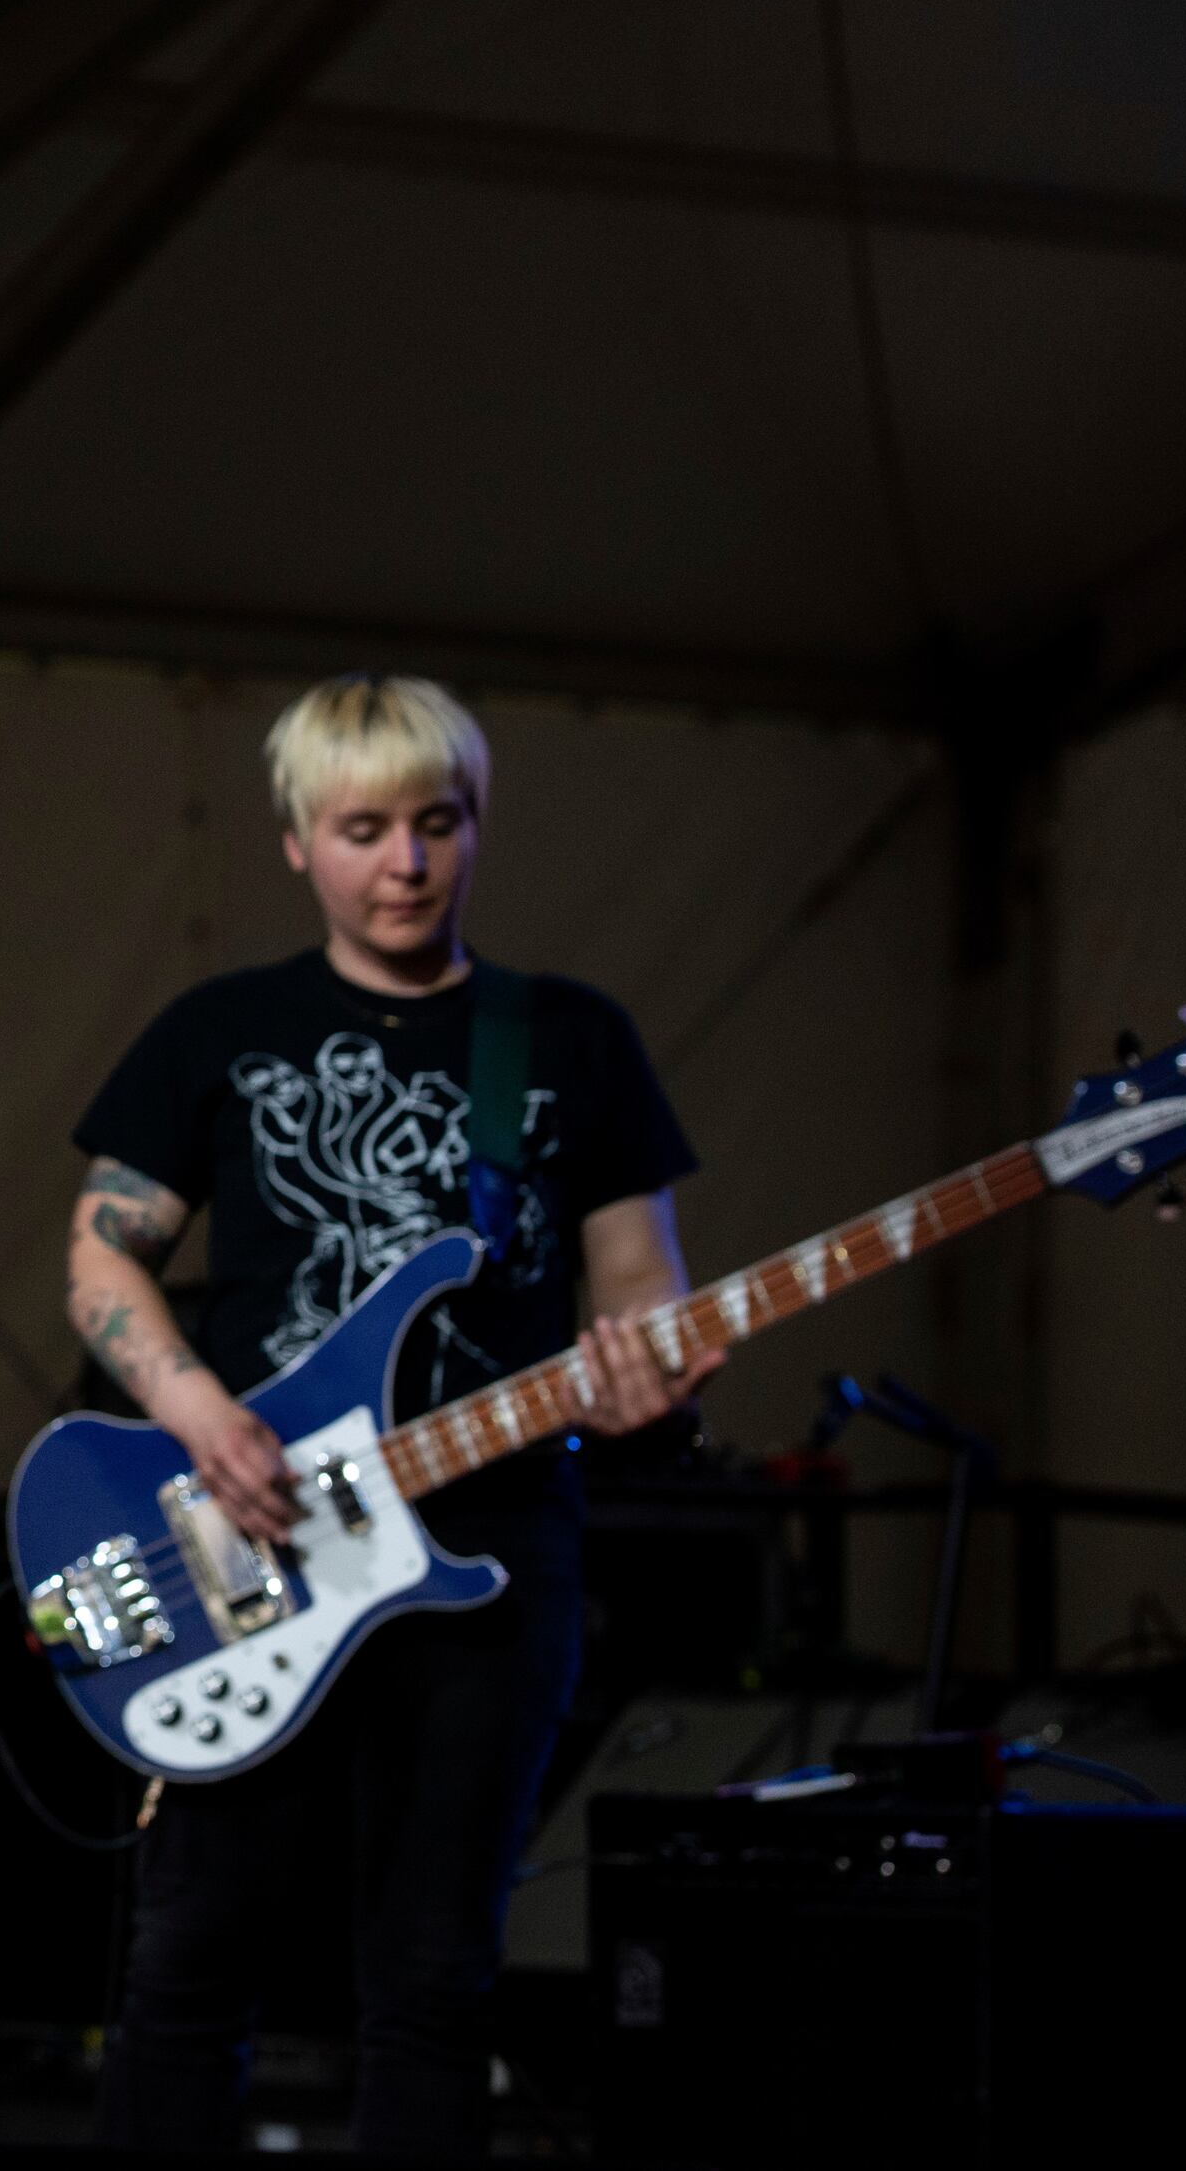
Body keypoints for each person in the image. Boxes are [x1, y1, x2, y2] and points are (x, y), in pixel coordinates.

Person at [63, 675, 719, 2155]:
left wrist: (641, 1372)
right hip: (257, 1533)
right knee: (189, 1961)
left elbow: (639, 1293)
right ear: (299, 840)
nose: (407, 862)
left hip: (490, 1547)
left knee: (433, 1976)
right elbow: (104, 1249)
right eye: (365, 829)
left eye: (439, 822)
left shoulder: (568, 1039)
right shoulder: (221, 1029)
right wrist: (199, 1411)